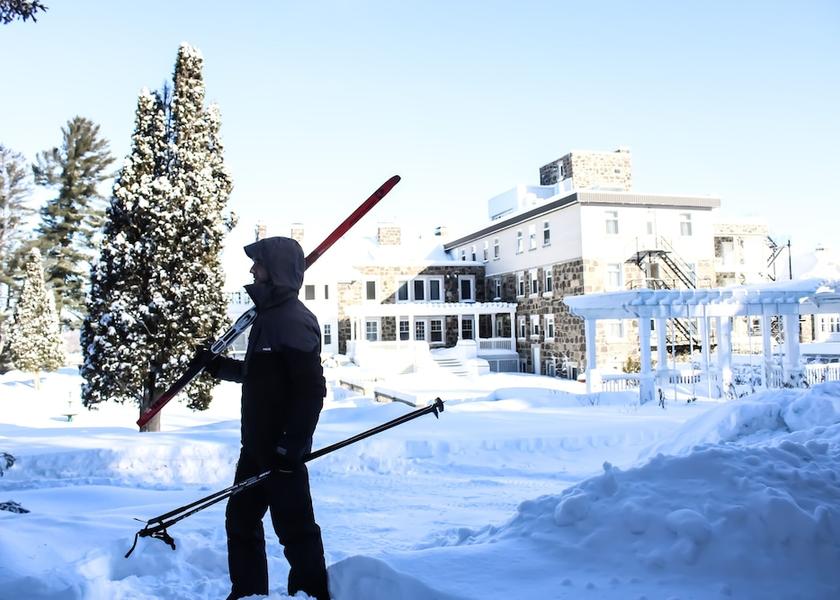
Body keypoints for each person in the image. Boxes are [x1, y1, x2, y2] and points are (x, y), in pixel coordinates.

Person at [205, 236, 330, 600]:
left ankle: (313, 593)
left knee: (295, 529)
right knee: (241, 519)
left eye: (257, 263)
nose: (251, 270)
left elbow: (310, 390)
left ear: (272, 270)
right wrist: (217, 367)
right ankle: (248, 593)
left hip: (279, 449)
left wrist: (290, 445)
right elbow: (260, 374)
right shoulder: (269, 317)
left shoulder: (292, 320)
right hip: (256, 446)